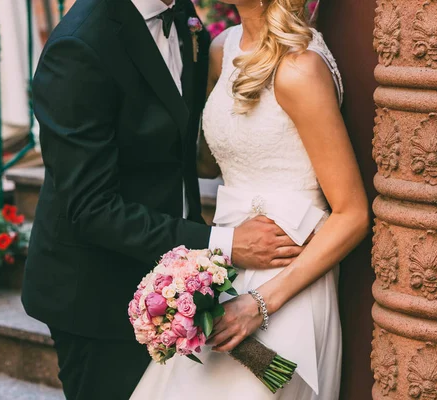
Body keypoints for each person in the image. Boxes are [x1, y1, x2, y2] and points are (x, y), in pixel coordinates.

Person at [21, 0, 306, 399]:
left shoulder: (184, 17)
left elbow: (173, 149)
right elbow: (91, 208)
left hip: (184, 278)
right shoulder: (81, 44)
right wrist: (223, 243)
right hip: (98, 296)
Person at [130, 0, 369, 398]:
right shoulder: (223, 48)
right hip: (228, 261)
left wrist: (257, 305)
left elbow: (353, 214)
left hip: (289, 277)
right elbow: (211, 161)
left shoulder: (300, 68)